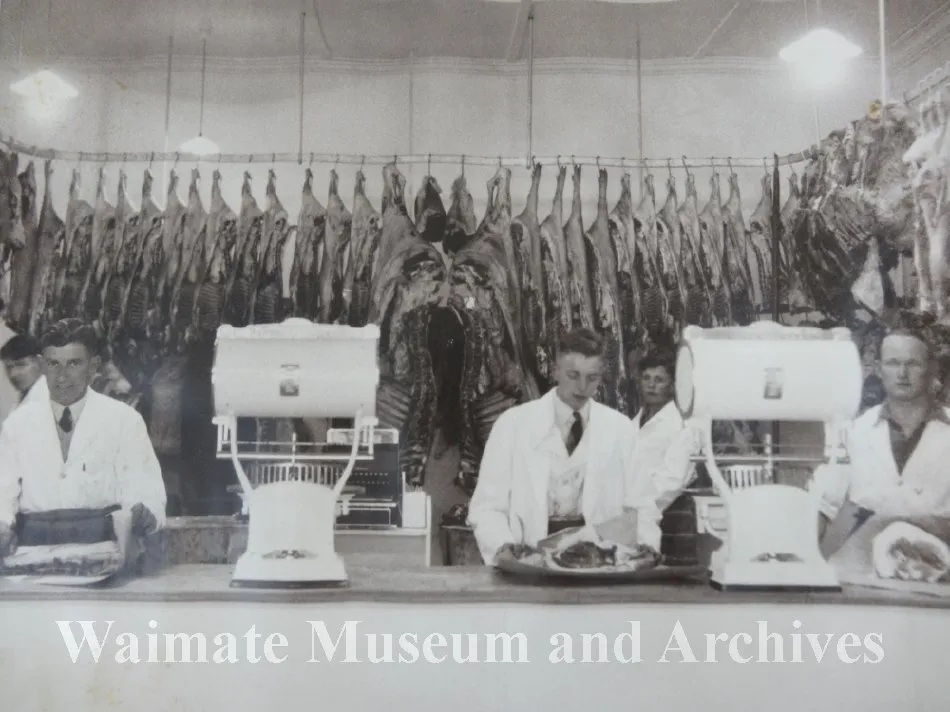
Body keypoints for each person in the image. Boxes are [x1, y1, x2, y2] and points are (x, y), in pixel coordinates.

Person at [467, 327, 662, 565]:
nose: (582, 387)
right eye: (573, 375)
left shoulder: (621, 431)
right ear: (555, 370)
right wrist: (504, 549)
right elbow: (487, 507)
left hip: (599, 570)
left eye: (592, 378)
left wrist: (646, 549)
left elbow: (644, 508)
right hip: (529, 569)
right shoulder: (512, 425)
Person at [0, 318, 167, 557]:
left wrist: (145, 514)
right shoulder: (16, 425)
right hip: (31, 555)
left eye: (74, 364)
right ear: (42, 365)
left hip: (104, 552)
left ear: (93, 366)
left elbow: (145, 489)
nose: (62, 377)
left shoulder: (124, 420)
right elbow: (3, 492)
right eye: (53, 364)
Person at [816, 323, 950, 542]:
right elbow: (825, 504)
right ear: (878, 369)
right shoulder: (857, 431)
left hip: (941, 561)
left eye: (913, 364)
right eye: (892, 363)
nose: (902, 373)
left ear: (932, 368)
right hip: (868, 561)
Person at [629, 349, 697, 514]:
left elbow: (672, 481)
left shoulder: (682, 425)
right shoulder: (633, 422)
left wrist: (635, 511)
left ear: (673, 386)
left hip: (667, 517)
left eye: (659, 380)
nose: (651, 385)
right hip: (628, 512)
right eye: (646, 378)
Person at [1, 333, 48, 407]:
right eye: (8, 367)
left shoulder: (50, 398)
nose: (13, 374)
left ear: (40, 362)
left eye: (21, 365)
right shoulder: (25, 396)